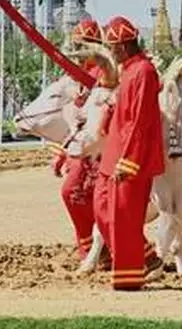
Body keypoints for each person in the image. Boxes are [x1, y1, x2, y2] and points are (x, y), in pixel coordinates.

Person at [93, 16, 165, 291]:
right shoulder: (128, 71)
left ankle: (129, 277)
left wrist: (130, 160)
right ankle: (146, 257)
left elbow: (141, 120)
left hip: (130, 157)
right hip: (114, 152)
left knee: (123, 216)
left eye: (111, 48)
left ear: (122, 48)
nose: (110, 53)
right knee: (101, 209)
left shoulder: (144, 71)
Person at [52, 19, 111, 263]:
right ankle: (92, 247)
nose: (77, 54)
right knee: (74, 194)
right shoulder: (79, 76)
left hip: (98, 147)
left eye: (82, 47)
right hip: (83, 145)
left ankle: (99, 247)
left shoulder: (104, 74)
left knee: (73, 192)